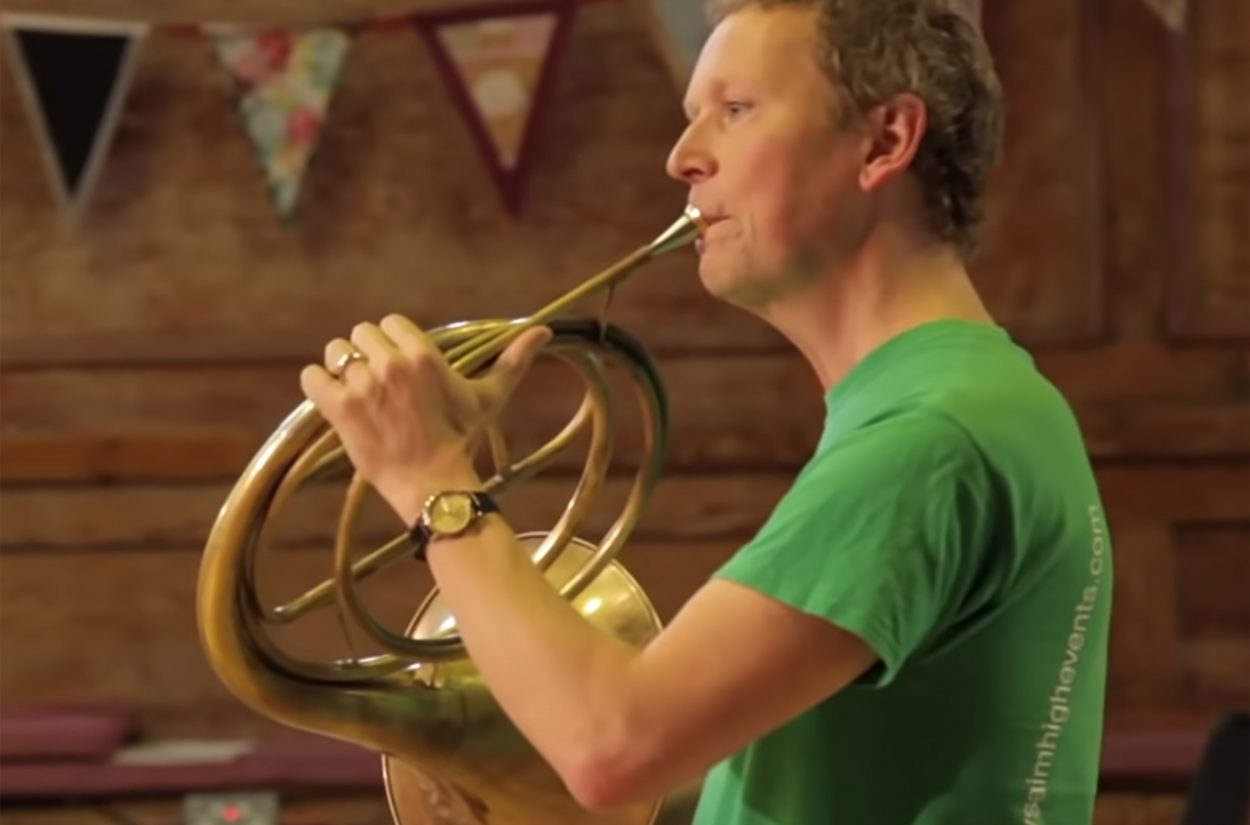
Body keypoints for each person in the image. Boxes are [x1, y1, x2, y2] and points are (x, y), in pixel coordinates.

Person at [300, 1, 1114, 823]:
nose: (682, 160)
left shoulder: (933, 436)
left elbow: (612, 746)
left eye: (735, 110)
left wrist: (432, 479)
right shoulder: (969, 404)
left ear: (885, 141)